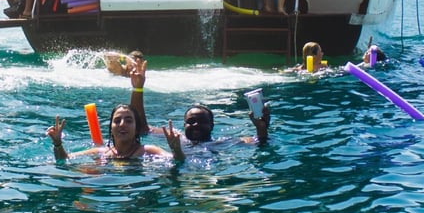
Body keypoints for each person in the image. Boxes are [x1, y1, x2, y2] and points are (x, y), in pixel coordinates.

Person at [126, 55, 269, 145]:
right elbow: (140, 128)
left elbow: (254, 141)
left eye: (202, 121)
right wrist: (138, 89)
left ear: (212, 125)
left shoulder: (220, 144)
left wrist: (261, 129)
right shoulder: (177, 138)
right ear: (183, 125)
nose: (195, 124)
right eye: (191, 121)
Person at [45, 104, 184, 161]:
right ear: (111, 127)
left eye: (129, 120)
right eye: (117, 121)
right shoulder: (102, 152)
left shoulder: (148, 151)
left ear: (137, 127)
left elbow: (175, 160)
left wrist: (176, 150)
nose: (122, 124)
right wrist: (58, 144)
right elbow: (65, 159)